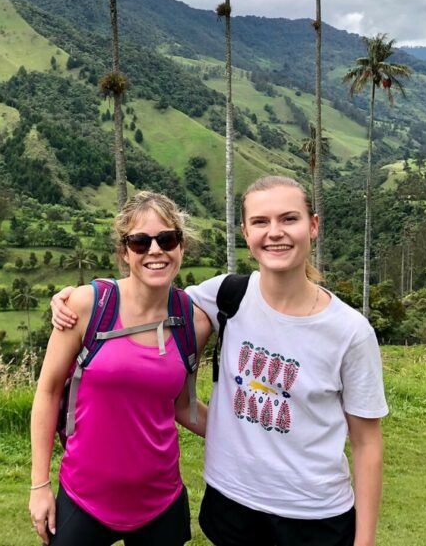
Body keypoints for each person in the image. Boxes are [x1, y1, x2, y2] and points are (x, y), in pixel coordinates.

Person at [51, 176, 388, 546]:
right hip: (232, 503)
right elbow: (144, 300)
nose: (275, 233)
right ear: (245, 232)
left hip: (313, 512)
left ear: (314, 225)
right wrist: (78, 299)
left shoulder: (349, 332)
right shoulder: (226, 296)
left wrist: (365, 541)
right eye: (261, 222)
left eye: (289, 219)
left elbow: (367, 442)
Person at [29, 191, 212, 545]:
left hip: (161, 502)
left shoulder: (193, 322)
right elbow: (48, 392)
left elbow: (182, 406)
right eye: (140, 242)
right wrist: (39, 484)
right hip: (84, 497)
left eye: (167, 239)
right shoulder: (85, 306)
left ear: (181, 247)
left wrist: (253, 436)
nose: (155, 250)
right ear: (124, 253)